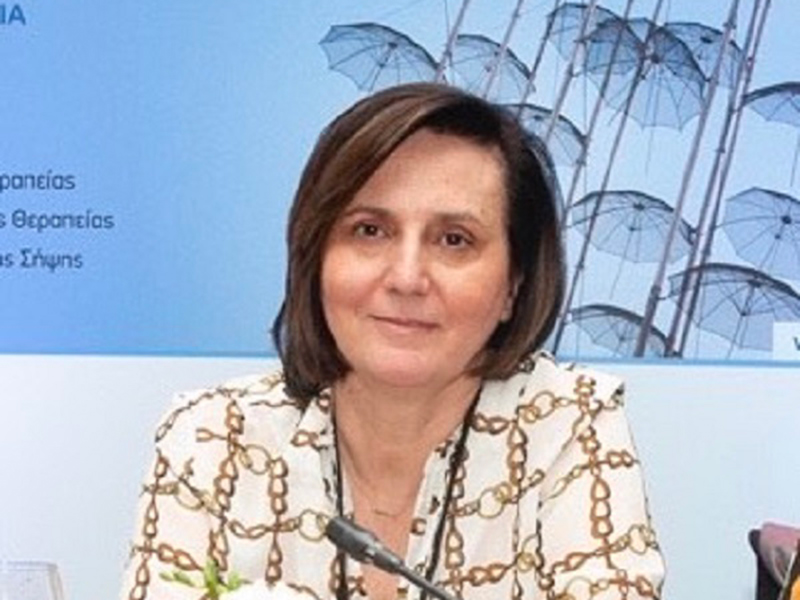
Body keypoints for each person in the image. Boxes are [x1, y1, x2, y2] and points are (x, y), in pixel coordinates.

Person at [120, 82, 665, 600]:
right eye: (370, 230)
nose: (407, 278)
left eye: (454, 240)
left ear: (513, 286)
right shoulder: (218, 438)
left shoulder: (567, 422)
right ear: (315, 257)